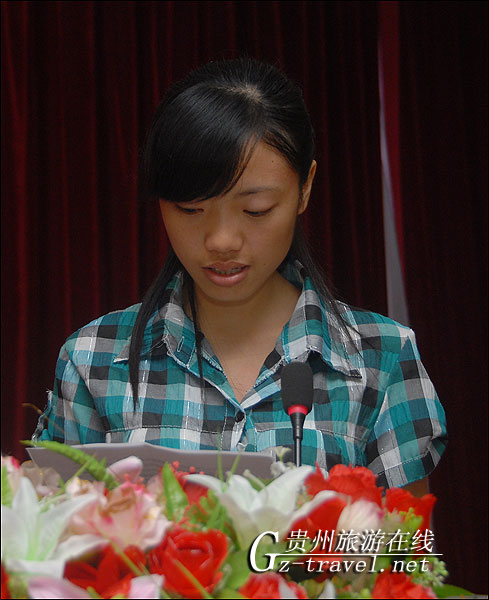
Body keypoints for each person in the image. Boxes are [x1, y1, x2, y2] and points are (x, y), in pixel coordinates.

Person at [33, 57, 447, 493]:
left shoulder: (382, 359)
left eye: (256, 210)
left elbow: (402, 536)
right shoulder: (94, 360)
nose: (221, 241)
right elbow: (58, 526)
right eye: (190, 209)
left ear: (305, 187)